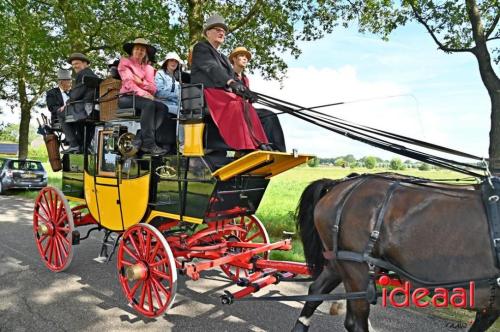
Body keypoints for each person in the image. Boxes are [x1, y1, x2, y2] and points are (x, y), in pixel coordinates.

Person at [190, 14, 271, 152]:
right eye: (217, 29)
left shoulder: (223, 57)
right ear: (207, 32)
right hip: (207, 95)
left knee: (268, 115)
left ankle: (268, 145)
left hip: (223, 95)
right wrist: (230, 82)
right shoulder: (201, 48)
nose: (221, 32)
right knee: (238, 105)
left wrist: (247, 91)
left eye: (223, 30)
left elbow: (233, 76)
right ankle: (246, 148)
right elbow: (212, 68)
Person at [229, 47, 287, 152]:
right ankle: (256, 147)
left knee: (270, 115)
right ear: (234, 59)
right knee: (264, 115)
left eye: (246, 57)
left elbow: (247, 97)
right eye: (241, 56)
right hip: (235, 110)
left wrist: (252, 97)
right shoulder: (228, 75)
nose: (245, 58)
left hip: (246, 109)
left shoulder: (245, 79)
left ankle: (277, 149)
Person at [118, 38, 169, 155]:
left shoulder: (149, 68)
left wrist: (141, 82)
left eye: (142, 50)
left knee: (163, 108)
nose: (139, 51)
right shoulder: (125, 62)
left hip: (143, 99)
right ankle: (149, 143)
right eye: (137, 49)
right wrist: (144, 93)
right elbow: (128, 83)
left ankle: (140, 137)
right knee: (149, 104)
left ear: (145, 53)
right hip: (126, 98)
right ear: (132, 51)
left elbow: (153, 88)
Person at [60, 53, 99, 153]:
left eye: (77, 63)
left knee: (60, 113)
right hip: (93, 108)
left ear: (85, 63)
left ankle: (74, 144)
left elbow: (76, 94)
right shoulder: (93, 75)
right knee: (78, 122)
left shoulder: (83, 75)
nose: (74, 66)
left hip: (83, 108)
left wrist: (67, 102)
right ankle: (85, 146)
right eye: (73, 65)